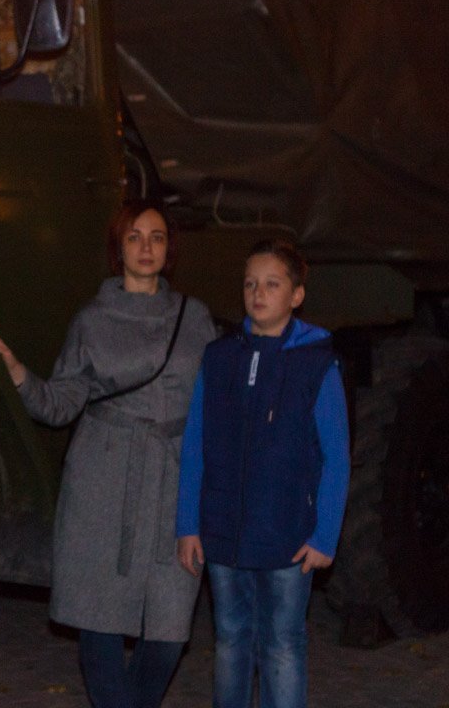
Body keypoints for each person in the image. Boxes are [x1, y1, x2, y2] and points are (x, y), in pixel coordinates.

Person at [0, 199, 216, 708]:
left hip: (174, 480)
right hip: (104, 478)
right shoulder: (92, 319)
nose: (146, 247)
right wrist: (19, 374)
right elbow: (61, 403)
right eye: (134, 237)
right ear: (118, 248)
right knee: (100, 617)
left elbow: (215, 401)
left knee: (169, 630)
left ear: (170, 250)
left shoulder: (195, 317)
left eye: (157, 237)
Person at [176, 239, 349, 708]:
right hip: (224, 531)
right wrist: (189, 524)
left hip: (288, 535)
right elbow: (195, 443)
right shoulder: (218, 358)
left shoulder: (317, 363)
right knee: (231, 637)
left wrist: (325, 536)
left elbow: (336, 455)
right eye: (250, 283)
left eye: (273, 284)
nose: (259, 293)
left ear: (297, 295)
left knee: (282, 643)